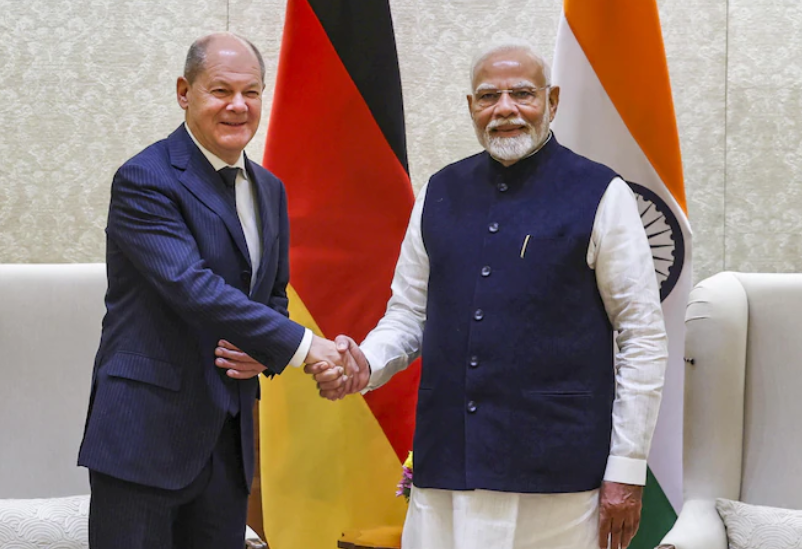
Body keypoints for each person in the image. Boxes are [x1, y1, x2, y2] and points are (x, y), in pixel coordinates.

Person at [309, 42, 668, 549]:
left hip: (558, 476)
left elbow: (642, 336)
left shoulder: (602, 193)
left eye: (522, 94)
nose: (505, 108)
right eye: (488, 96)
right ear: (472, 107)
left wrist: (627, 468)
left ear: (553, 101)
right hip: (448, 468)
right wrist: (367, 362)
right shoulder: (439, 192)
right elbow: (409, 314)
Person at [77, 32, 352, 549]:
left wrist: (261, 354)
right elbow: (193, 287)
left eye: (251, 92)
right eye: (220, 90)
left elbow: (271, 293)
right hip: (144, 437)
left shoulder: (269, 188)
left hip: (227, 444)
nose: (237, 106)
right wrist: (303, 346)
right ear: (185, 92)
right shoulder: (146, 178)